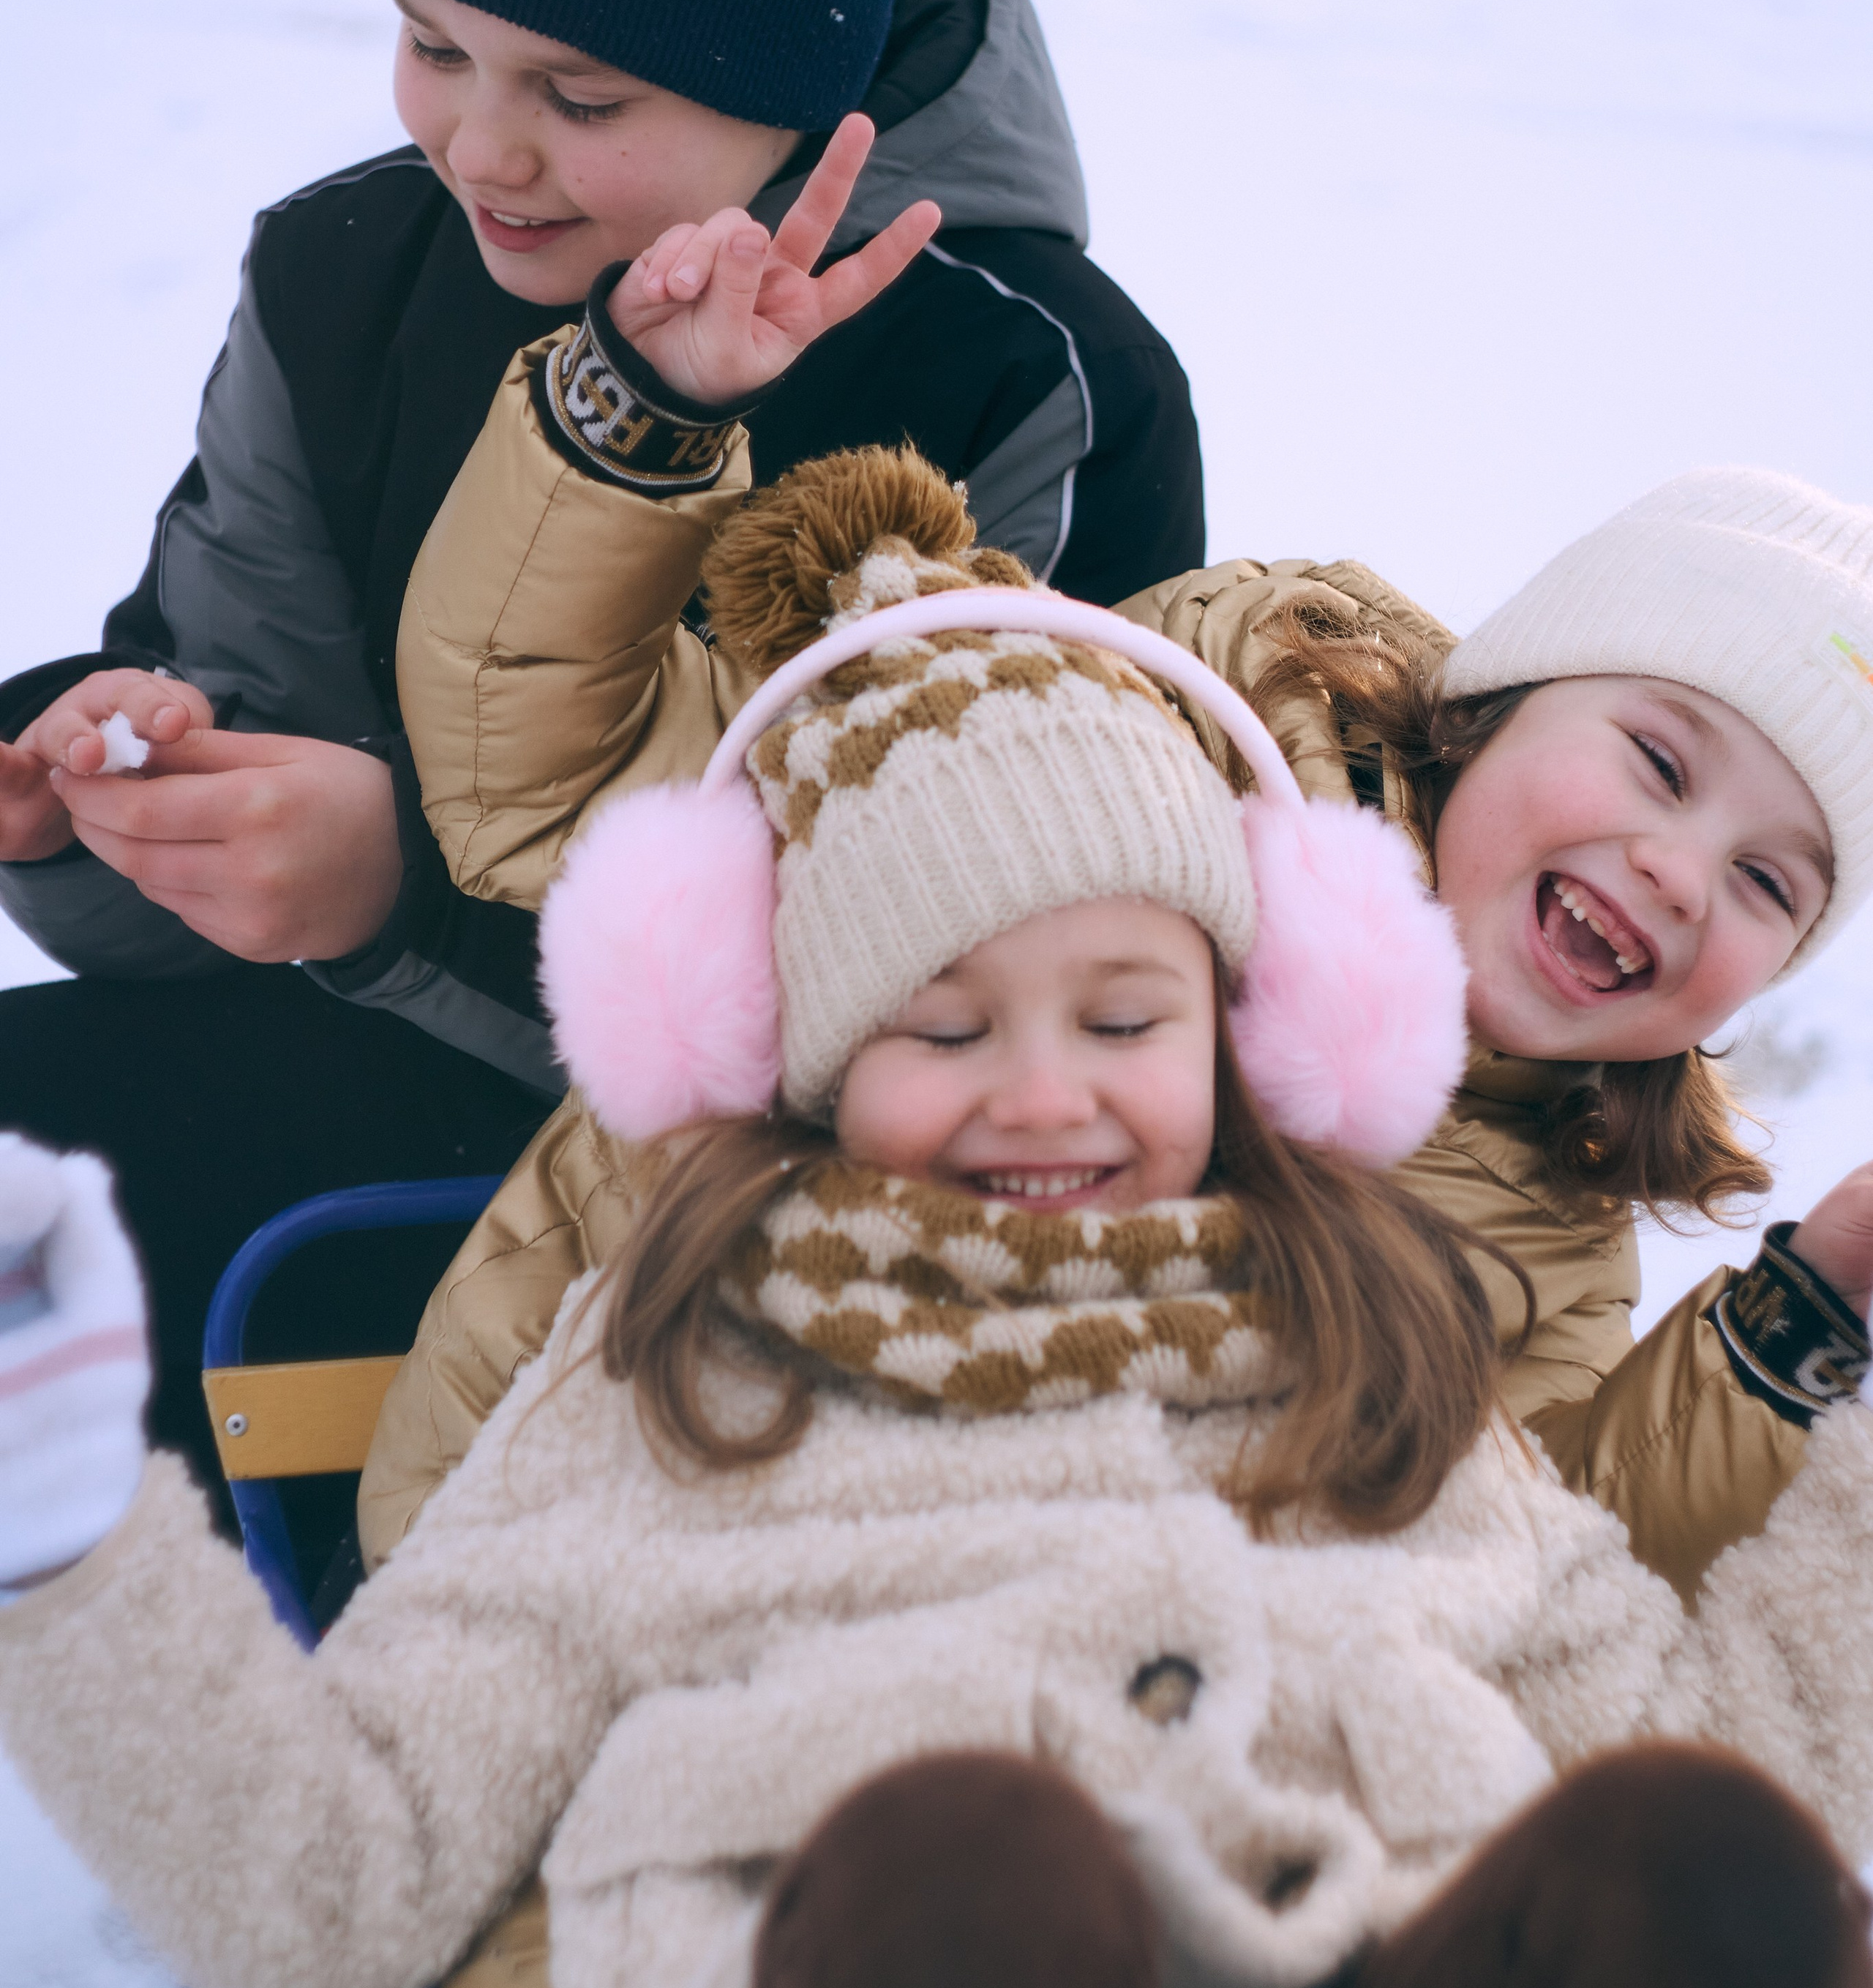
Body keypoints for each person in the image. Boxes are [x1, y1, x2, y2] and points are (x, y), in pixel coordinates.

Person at [2, 462, 1871, 1988]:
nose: (1042, 1097)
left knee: (1701, 1880)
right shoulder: (695, 1383)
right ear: (803, 1063)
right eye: (945, 1030)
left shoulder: (1388, 1376)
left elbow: (1712, 1753)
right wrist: (67, 1530)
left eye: (1129, 1025)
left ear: (1265, 1046)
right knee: (974, 1865)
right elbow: (332, 1873)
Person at [0, 0, 1201, 1496]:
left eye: (581, 89)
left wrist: (392, 901)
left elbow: (945, 1013)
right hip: (376, 1076)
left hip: (805, 1242)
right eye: (432, 41)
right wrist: (107, 806)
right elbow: (240, 712)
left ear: (794, 80)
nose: (479, 144)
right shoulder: (349, 282)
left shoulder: (1023, 381)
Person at [364, 257, 1873, 1605]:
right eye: (1659, 764)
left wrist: (1783, 1340)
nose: (1681, 874)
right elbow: (541, 770)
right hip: (567, 1532)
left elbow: (1526, 1584)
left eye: (1768, 884)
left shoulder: (1558, 1214)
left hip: (987, 1693)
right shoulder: (1099, 758)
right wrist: (636, 415)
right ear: (1489, 705)